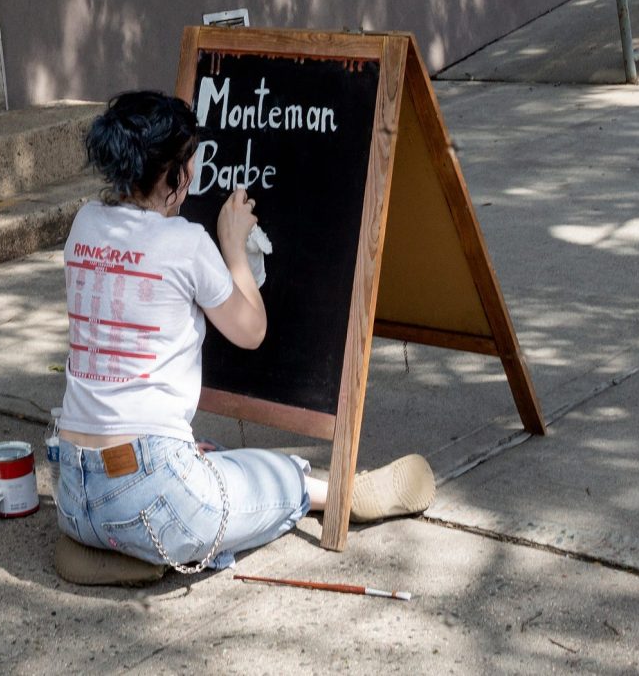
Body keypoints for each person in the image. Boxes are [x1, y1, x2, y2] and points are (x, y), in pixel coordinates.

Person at [51, 89, 436, 583]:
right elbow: (251, 331)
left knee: (205, 452)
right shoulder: (185, 242)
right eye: (192, 162)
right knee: (270, 472)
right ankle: (334, 495)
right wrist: (233, 247)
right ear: (175, 174)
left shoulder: (84, 225)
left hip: (73, 488)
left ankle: (110, 547)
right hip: (154, 491)